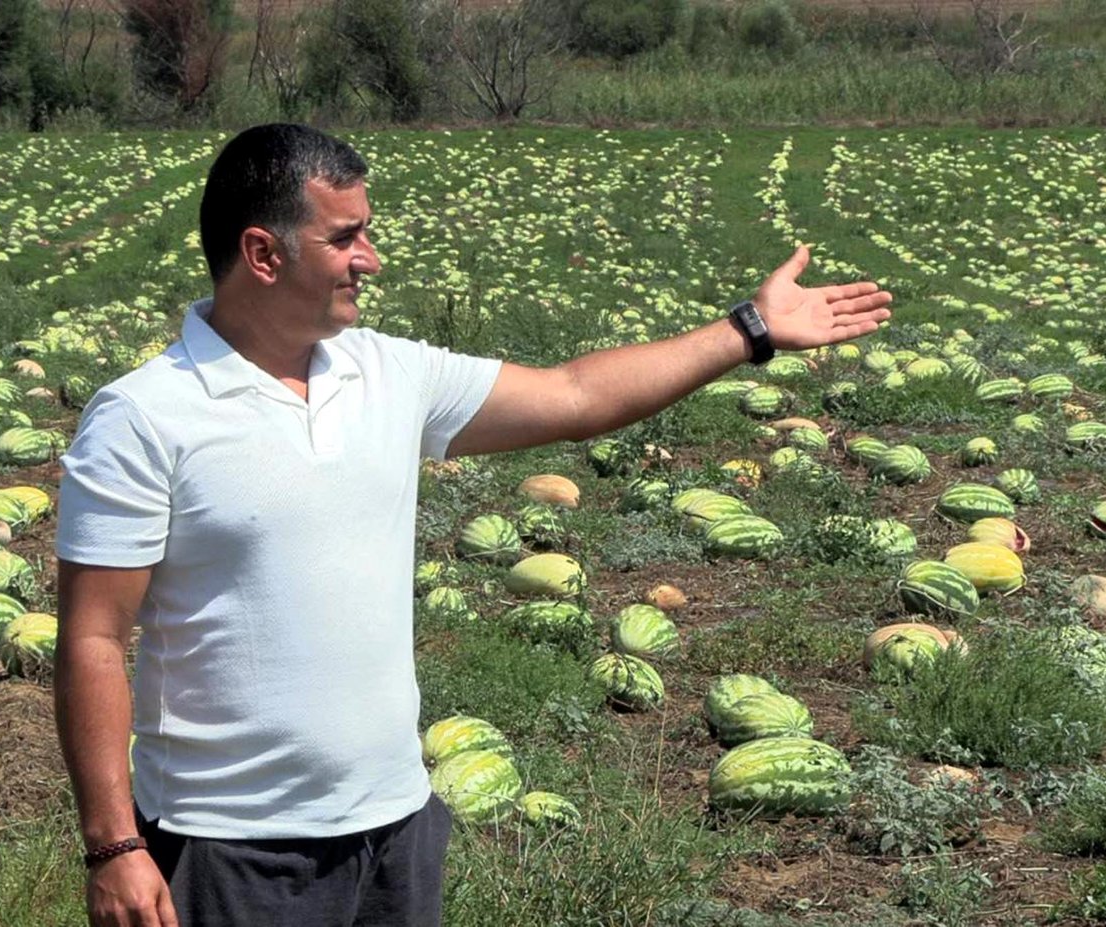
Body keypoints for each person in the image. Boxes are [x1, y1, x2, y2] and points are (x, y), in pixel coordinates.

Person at [53, 122, 891, 927]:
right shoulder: (145, 416)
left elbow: (575, 396)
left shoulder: (388, 372)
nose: (369, 260)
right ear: (263, 254)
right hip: (232, 848)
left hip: (395, 825)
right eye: (346, 238)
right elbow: (93, 639)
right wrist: (114, 843)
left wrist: (746, 331)